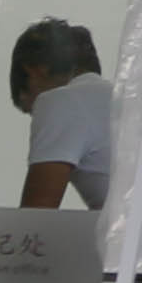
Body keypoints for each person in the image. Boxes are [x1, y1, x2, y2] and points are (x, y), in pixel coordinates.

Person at [11, 16, 110, 209]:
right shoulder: (122, 100)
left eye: (32, 111)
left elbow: (36, 215)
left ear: (35, 71)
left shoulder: (59, 101)